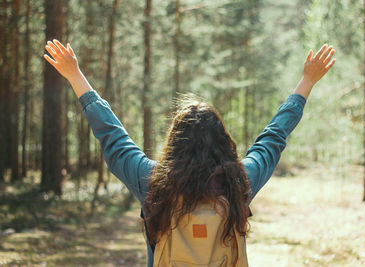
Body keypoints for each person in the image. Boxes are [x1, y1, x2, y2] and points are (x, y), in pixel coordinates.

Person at [44, 40, 335, 266]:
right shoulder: (240, 181)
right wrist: (306, 82)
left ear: (175, 140)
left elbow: (113, 136)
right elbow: (273, 138)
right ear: (224, 140)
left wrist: (75, 75)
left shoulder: (152, 181)